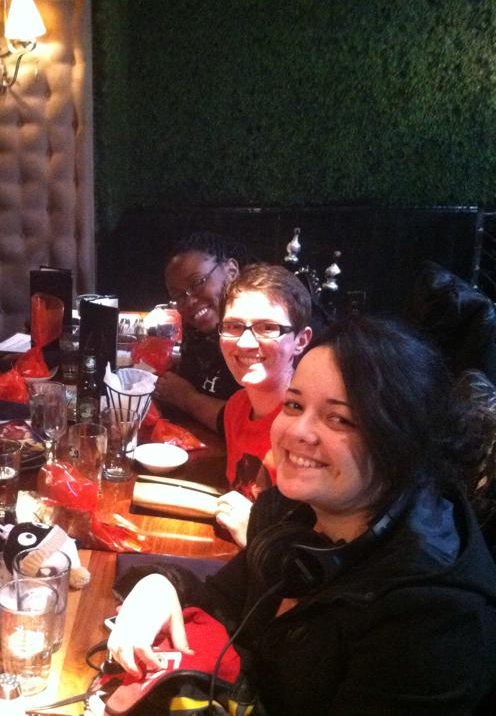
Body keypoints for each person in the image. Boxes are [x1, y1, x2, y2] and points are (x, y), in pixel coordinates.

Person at [109, 317, 496, 714]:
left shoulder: (436, 620)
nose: (297, 432)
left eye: (339, 418)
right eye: (294, 405)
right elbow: (222, 601)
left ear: (401, 441)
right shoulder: (294, 511)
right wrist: (161, 586)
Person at [214, 264, 312, 545]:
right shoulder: (236, 406)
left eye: (268, 328)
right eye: (233, 326)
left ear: (301, 341)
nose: (244, 343)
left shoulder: (305, 430)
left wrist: (256, 537)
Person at [155, 232, 254, 430]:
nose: (189, 301)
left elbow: (251, 424)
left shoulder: (257, 335)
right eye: (178, 296)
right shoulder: (199, 331)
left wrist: (187, 398)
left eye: (197, 283)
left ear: (231, 271)